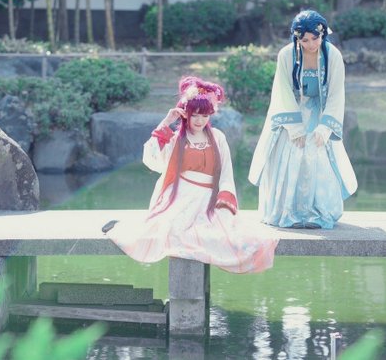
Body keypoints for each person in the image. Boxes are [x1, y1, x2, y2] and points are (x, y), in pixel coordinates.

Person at [103, 76, 279, 274]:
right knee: (172, 230)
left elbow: (226, 173)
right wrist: (166, 122)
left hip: (209, 197)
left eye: (204, 116)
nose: (199, 120)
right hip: (180, 195)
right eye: (195, 115)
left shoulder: (218, 137)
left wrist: (224, 199)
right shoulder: (177, 139)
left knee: (226, 234)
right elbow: (151, 158)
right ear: (185, 114)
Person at [248, 10, 357, 229]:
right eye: (305, 40)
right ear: (296, 38)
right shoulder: (286, 55)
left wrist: (325, 127)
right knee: (290, 156)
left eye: (315, 38)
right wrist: (294, 128)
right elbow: (282, 90)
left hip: (320, 113)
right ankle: (288, 212)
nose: (311, 44)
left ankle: (318, 212)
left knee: (318, 157)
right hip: (292, 113)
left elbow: (336, 94)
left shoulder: (333, 56)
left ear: (323, 34)